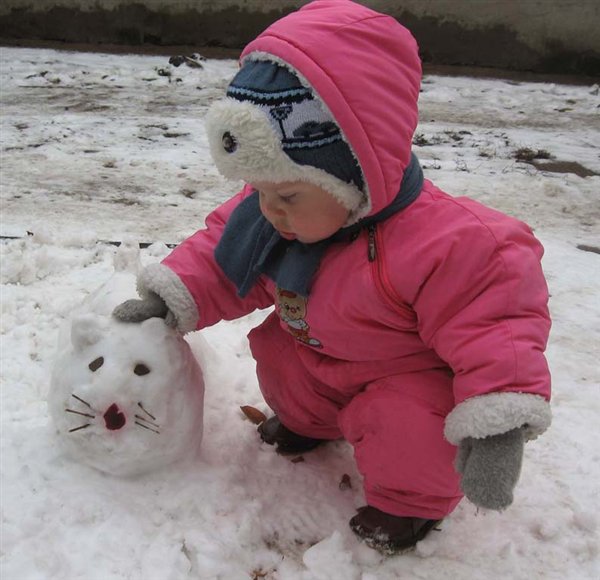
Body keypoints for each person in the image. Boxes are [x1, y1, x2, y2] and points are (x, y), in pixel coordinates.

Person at [113, 0, 552, 554]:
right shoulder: (276, 213)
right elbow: (221, 261)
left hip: (403, 380)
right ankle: (311, 424)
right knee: (282, 361)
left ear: (355, 170)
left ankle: (411, 506)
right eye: (261, 190)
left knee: (408, 425)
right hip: (320, 358)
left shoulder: (454, 243)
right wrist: (169, 300)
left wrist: (498, 425)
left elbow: (497, 328)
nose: (268, 208)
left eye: (288, 195)